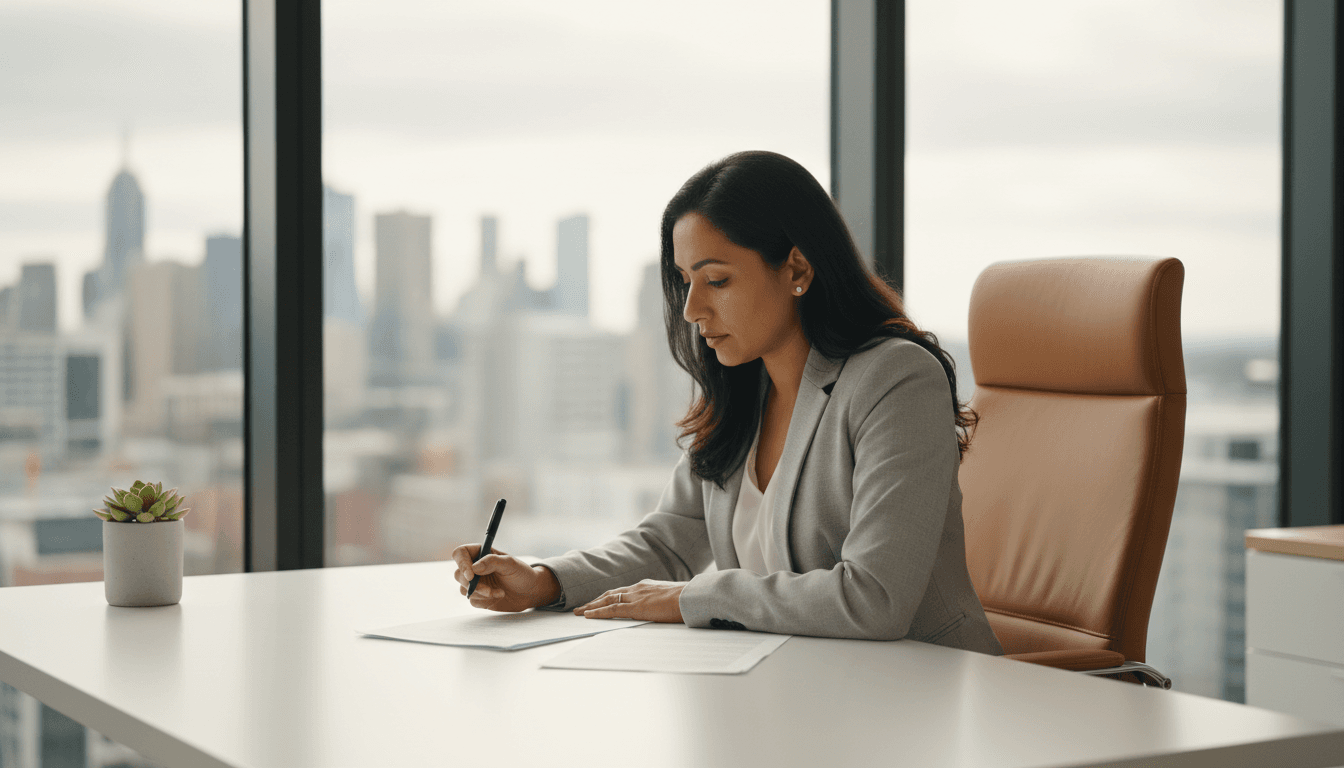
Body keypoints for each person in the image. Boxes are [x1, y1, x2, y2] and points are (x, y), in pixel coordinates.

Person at [451, 150, 1002, 653]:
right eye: (684, 280)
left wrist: (691, 597)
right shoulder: (744, 387)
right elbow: (668, 542)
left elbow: (874, 598)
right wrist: (544, 581)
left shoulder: (895, 380)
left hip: (918, 695)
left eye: (716, 280)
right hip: (794, 688)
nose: (691, 309)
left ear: (797, 270)